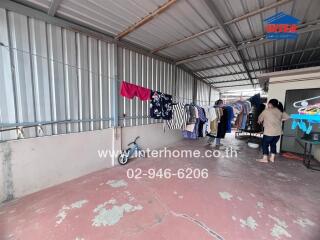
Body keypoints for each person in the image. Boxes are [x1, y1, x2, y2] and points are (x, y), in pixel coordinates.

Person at [257, 99, 289, 163]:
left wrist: (259, 121)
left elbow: (260, 119)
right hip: (278, 133)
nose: (267, 105)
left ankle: (265, 158)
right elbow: (287, 117)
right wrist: (280, 120)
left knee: (264, 144)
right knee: (273, 144)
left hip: (269, 132)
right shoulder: (280, 111)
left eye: (268, 103)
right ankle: (272, 158)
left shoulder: (266, 111)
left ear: (271, 104)